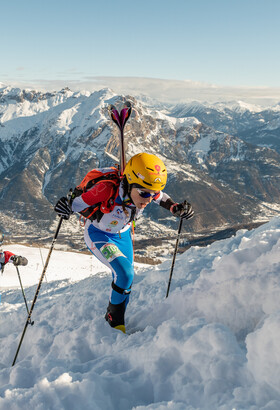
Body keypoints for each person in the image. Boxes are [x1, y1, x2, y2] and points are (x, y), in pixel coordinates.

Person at [54, 153, 194, 333]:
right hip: (99, 234)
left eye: (151, 194)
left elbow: (159, 196)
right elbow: (75, 204)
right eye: (143, 193)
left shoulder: (144, 188)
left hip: (123, 235)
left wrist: (175, 207)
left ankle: (117, 318)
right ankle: (115, 323)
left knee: (126, 280)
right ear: (129, 183)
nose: (148, 199)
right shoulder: (105, 190)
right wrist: (65, 207)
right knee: (125, 274)